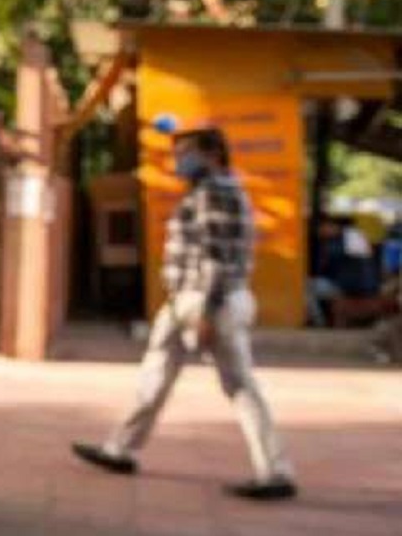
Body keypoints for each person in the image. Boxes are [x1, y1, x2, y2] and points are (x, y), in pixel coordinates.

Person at [72, 126, 297, 501]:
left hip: (208, 300)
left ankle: (276, 470)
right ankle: (120, 448)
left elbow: (216, 257)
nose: (179, 161)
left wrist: (207, 312)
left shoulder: (216, 192)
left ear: (213, 154)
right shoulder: (207, 191)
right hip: (186, 300)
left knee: (239, 384)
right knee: (156, 372)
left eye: (187, 153)